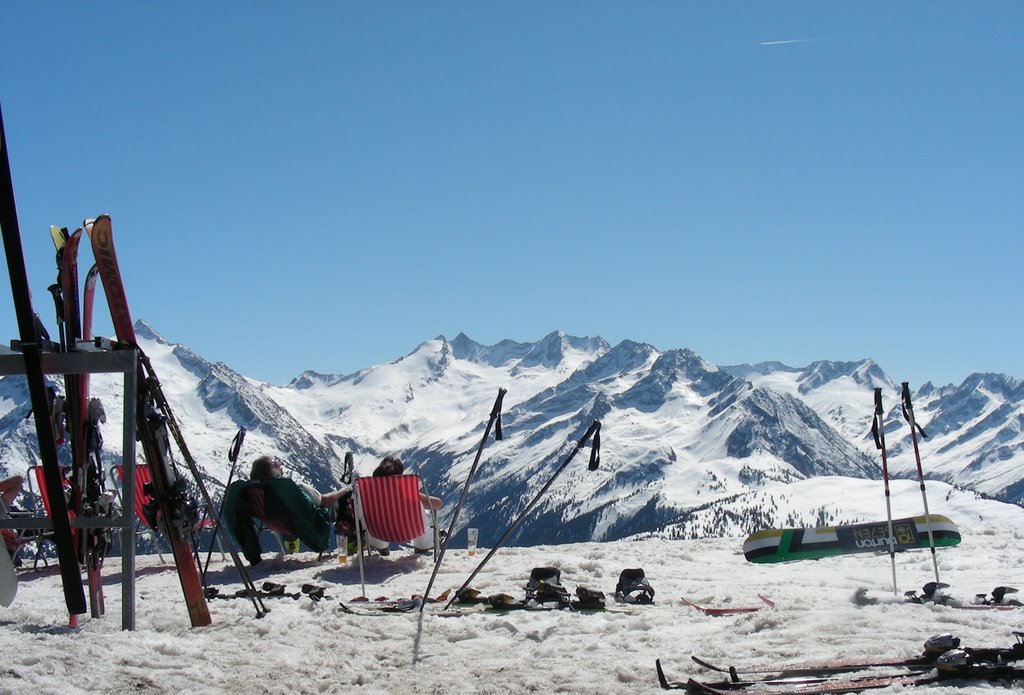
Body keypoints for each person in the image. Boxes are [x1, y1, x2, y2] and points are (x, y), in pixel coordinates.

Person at [365, 456, 442, 555]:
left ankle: (380, 546)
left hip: (376, 532)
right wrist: (415, 494)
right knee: (421, 511)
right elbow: (437, 504)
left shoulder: (366, 492)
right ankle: (422, 545)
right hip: (407, 531)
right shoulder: (408, 493)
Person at [249, 456, 350, 509]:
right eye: (275, 464)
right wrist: (344, 490)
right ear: (274, 475)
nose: (279, 464)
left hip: (284, 527)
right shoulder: (297, 488)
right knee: (346, 497)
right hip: (312, 530)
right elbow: (325, 500)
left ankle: (291, 545)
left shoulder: (261, 496)